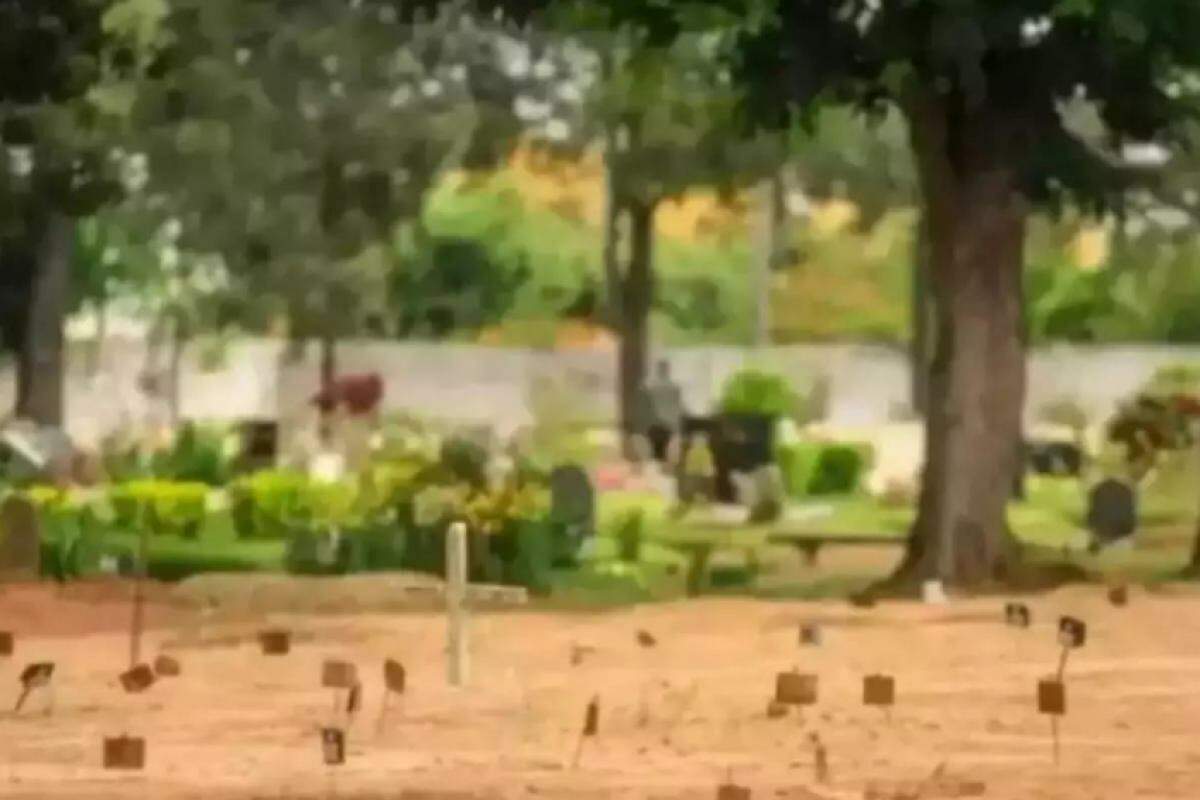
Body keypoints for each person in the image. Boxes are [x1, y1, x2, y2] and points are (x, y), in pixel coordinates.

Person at [640, 360, 685, 463]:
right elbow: (677, 407)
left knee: (655, 453)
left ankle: (655, 470)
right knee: (664, 453)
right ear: (668, 370)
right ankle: (660, 470)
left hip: (654, 424)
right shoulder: (675, 387)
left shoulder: (649, 386)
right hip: (668, 424)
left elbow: (646, 406)